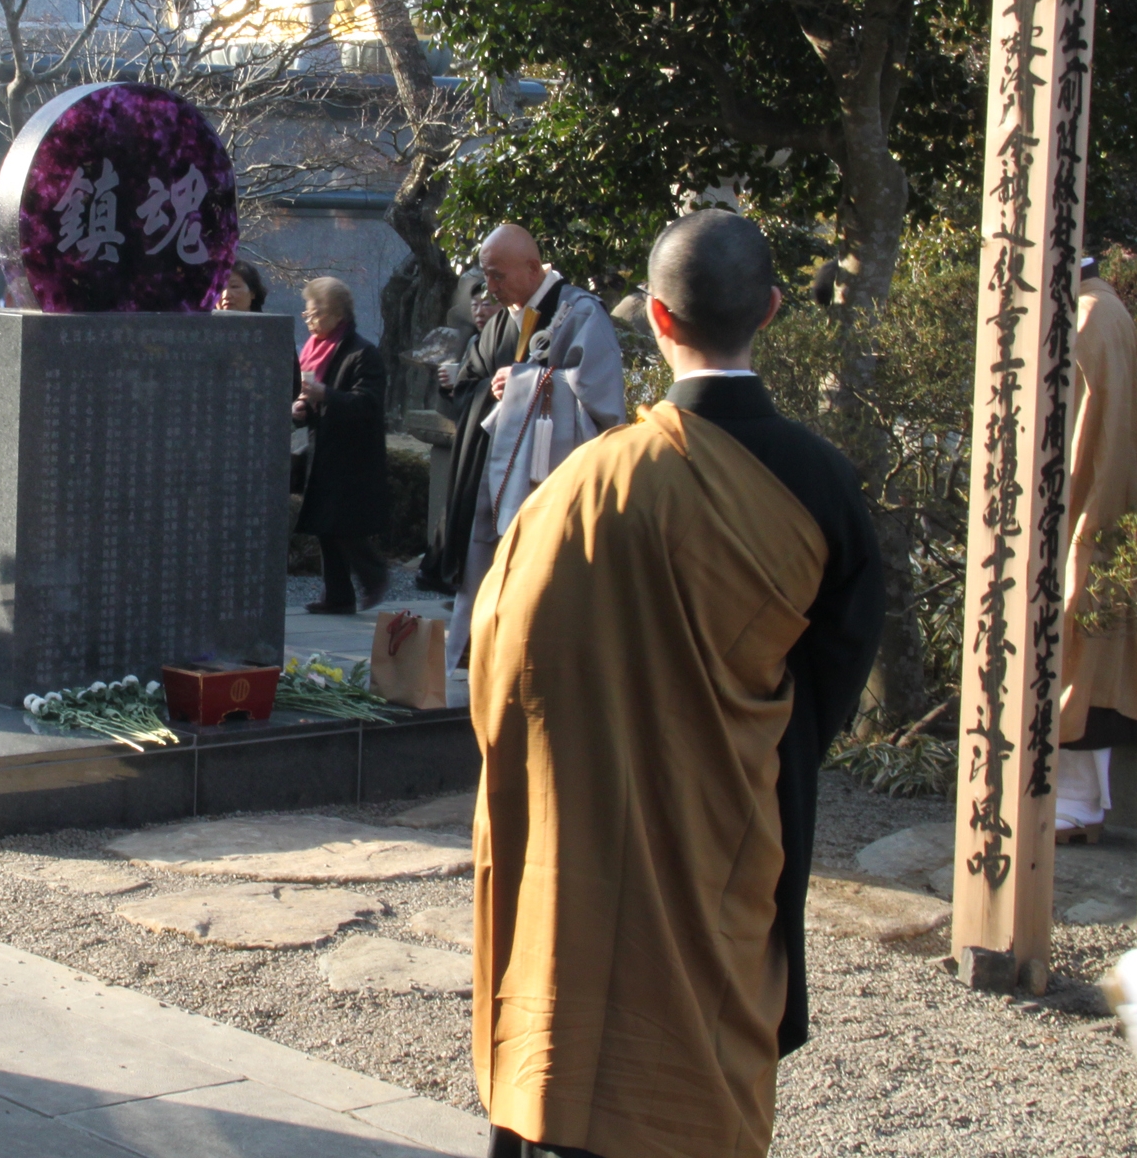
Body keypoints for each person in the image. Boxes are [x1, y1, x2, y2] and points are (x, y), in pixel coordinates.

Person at [469, 210, 883, 1158]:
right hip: (729, 831)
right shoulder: (824, 486)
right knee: (699, 1062)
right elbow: (826, 689)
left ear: (654, 317)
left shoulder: (583, 484)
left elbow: (500, 665)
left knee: (569, 1024)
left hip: (584, 833)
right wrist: (721, 747)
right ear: (771, 311)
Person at [431, 224, 624, 670]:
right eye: (486, 276)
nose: (490, 288)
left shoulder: (578, 313)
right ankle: (477, 655)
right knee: (484, 559)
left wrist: (527, 384)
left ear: (534, 267)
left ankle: (536, 659)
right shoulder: (500, 323)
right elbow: (469, 385)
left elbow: (601, 402)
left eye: (498, 276)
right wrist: (495, 390)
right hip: (490, 474)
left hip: (547, 476)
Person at [1056, 254, 1137, 842]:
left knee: (1075, 656)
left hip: (1085, 506)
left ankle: (1073, 808)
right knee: (1090, 654)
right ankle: (1078, 805)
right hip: (1105, 505)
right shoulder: (1106, 308)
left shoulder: (1084, 319)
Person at [291, 276, 390, 616]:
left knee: (343, 526)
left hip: (353, 456)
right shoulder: (313, 351)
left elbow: (368, 404)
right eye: (307, 314)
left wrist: (325, 395)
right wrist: (301, 410)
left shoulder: (363, 353)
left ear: (337, 315)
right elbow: (309, 403)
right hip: (323, 452)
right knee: (324, 526)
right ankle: (337, 595)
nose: (309, 319)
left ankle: (375, 576)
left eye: (315, 313)